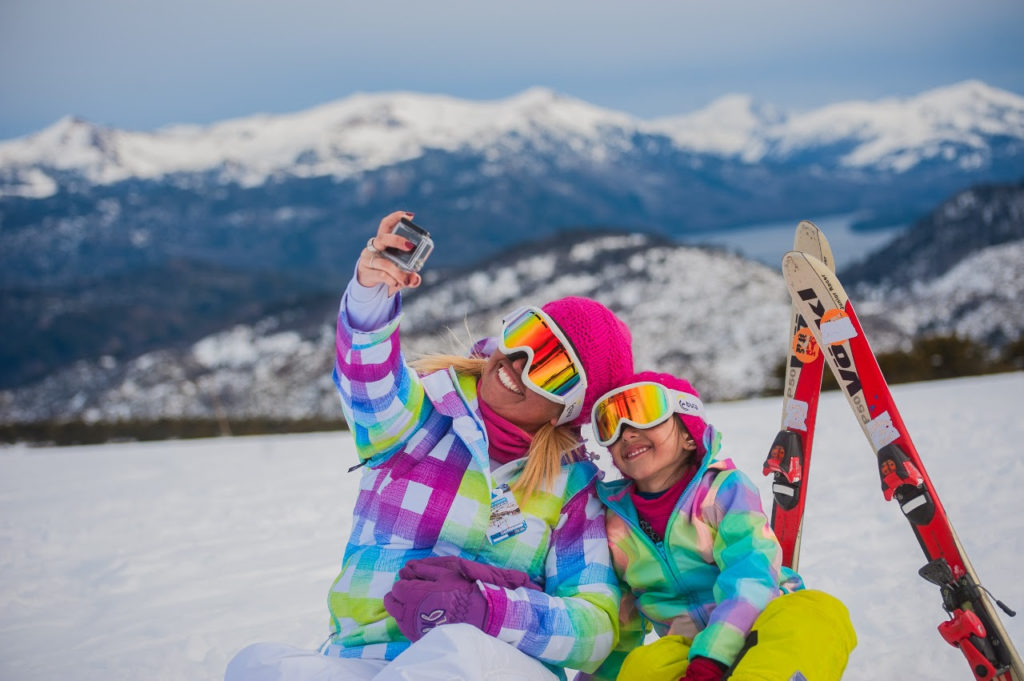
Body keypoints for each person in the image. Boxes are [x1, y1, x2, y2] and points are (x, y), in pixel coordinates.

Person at [226, 211, 635, 681]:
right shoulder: (422, 417)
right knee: (258, 666)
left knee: (453, 651)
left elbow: (596, 628)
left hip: (492, 665)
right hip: (368, 659)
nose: (518, 360)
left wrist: (484, 609)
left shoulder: (571, 486)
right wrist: (371, 295)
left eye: (552, 369)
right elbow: (368, 384)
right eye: (527, 335)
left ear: (568, 411)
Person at [584, 372, 856, 681]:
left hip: (759, 624)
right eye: (610, 424)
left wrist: (712, 658)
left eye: (644, 413)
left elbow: (750, 570)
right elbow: (621, 621)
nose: (627, 433)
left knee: (817, 613)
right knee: (644, 664)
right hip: (686, 649)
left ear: (689, 434)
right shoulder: (615, 523)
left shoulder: (724, 490)